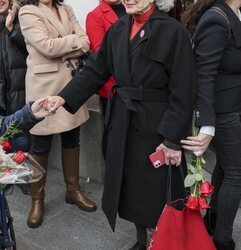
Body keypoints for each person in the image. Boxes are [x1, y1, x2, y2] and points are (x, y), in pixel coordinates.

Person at [47, 0, 197, 249]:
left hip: (157, 129)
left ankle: (160, 242)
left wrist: (172, 140)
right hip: (123, 125)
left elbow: (184, 91)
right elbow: (95, 70)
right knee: (132, 191)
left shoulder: (173, 31)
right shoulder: (117, 30)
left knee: (156, 195)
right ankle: (142, 240)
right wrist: (62, 96)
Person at [17, 0, 97, 229]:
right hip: (44, 85)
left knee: (73, 138)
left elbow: (86, 41)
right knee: (40, 145)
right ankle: (37, 200)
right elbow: (46, 46)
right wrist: (74, 43)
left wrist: (71, 44)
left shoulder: (65, 8)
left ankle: (73, 190)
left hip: (71, 83)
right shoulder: (27, 10)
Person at [181, 0, 241, 249]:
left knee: (227, 166)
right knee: (240, 173)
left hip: (238, 104)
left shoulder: (238, 12)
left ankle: (213, 219)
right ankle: (222, 239)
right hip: (222, 111)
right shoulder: (216, 18)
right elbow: (204, 76)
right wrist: (206, 126)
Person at [86, 0, 126, 158]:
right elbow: (101, 54)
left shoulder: (131, 9)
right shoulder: (95, 16)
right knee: (113, 134)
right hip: (112, 87)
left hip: (135, 85)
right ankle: (112, 175)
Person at [0, 0, 31, 194]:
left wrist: (11, 28)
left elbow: (31, 48)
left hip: (17, 88)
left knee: (20, 135)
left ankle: (22, 178)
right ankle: (6, 173)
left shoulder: (21, 19)